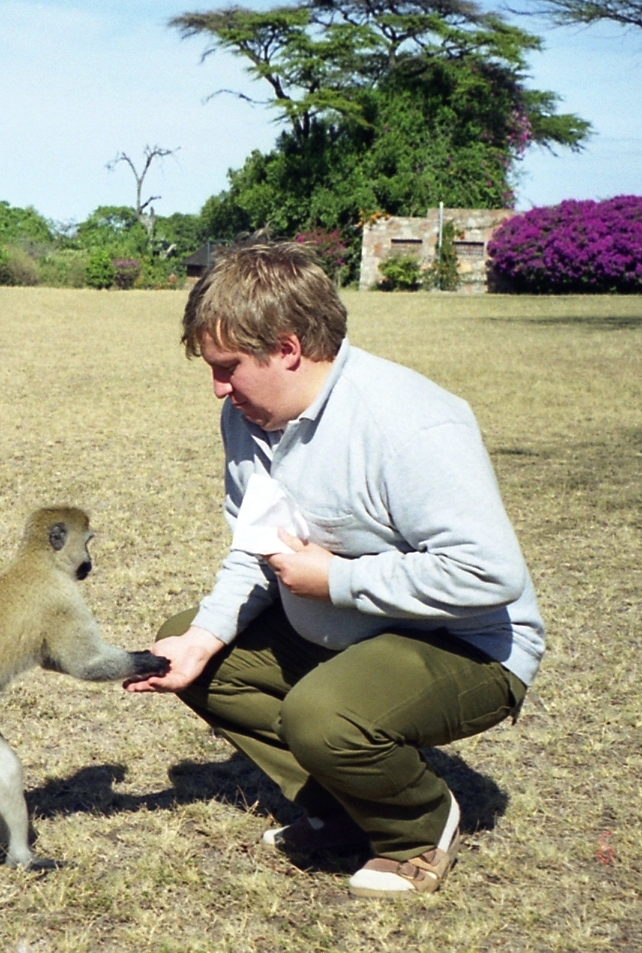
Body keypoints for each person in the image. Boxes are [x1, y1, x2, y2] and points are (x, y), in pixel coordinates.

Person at [125, 242, 544, 897]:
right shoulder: (247, 419)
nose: (216, 387)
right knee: (194, 649)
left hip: (467, 643)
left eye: (227, 367)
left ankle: (416, 828)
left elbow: (489, 575)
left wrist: (338, 580)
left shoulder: (407, 421)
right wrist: (202, 638)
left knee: (322, 713)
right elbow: (258, 546)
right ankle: (348, 810)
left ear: (287, 349)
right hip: (347, 632)